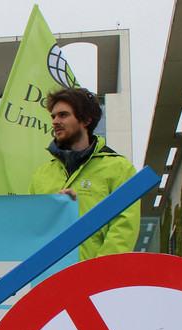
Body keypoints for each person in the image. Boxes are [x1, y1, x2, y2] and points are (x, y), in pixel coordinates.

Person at [27, 87, 139, 261]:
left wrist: (95, 274)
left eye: (63, 115)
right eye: (53, 116)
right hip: (49, 279)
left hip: (96, 281)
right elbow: (32, 230)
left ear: (86, 119)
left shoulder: (119, 168)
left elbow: (124, 229)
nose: (55, 121)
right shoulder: (41, 175)